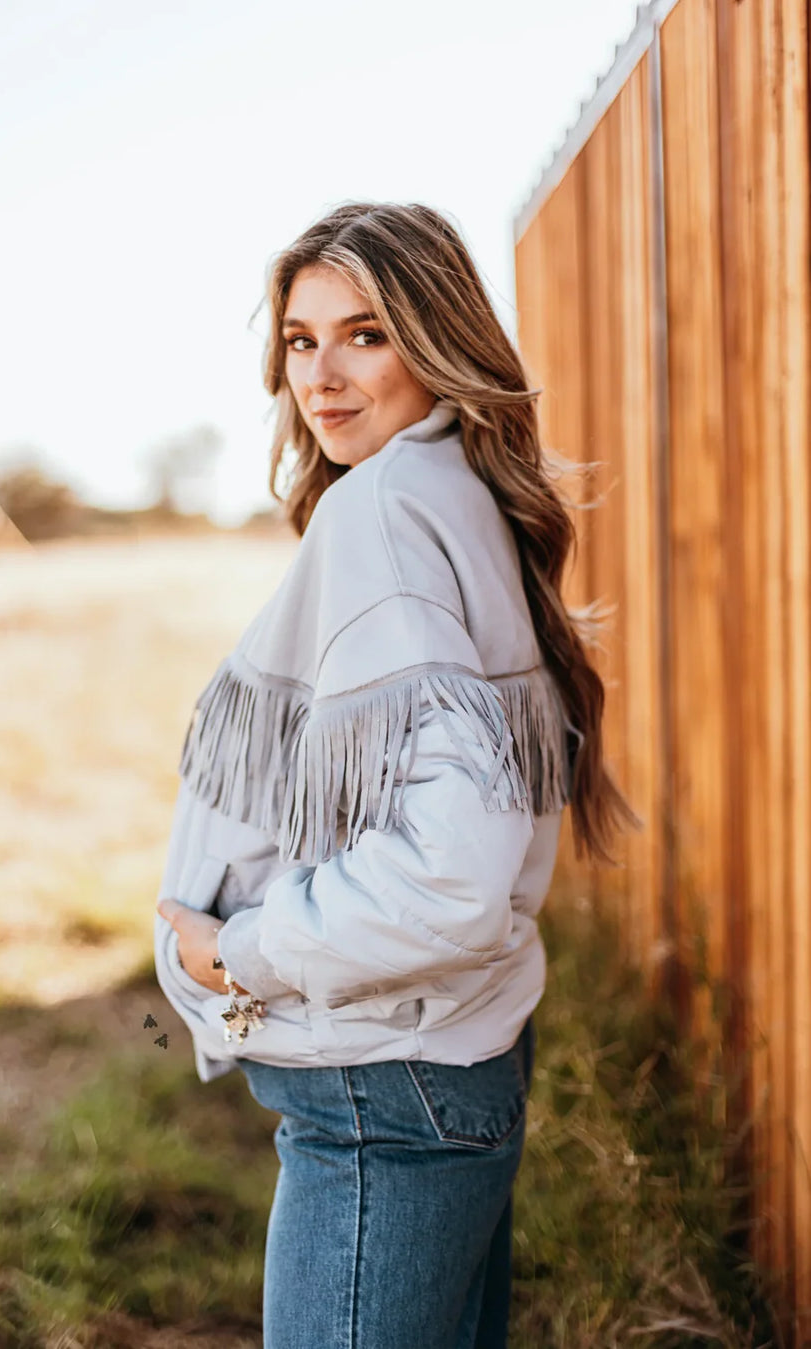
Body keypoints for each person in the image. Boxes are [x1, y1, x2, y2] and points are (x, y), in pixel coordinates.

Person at [154, 201, 640, 1349]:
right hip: (440, 1064)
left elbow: (445, 877)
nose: (322, 375)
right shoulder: (454, 493)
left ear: (440, 338)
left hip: (385, 1084)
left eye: (366, 334)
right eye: (301, 338)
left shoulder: (386, 511)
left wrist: (239, 952)